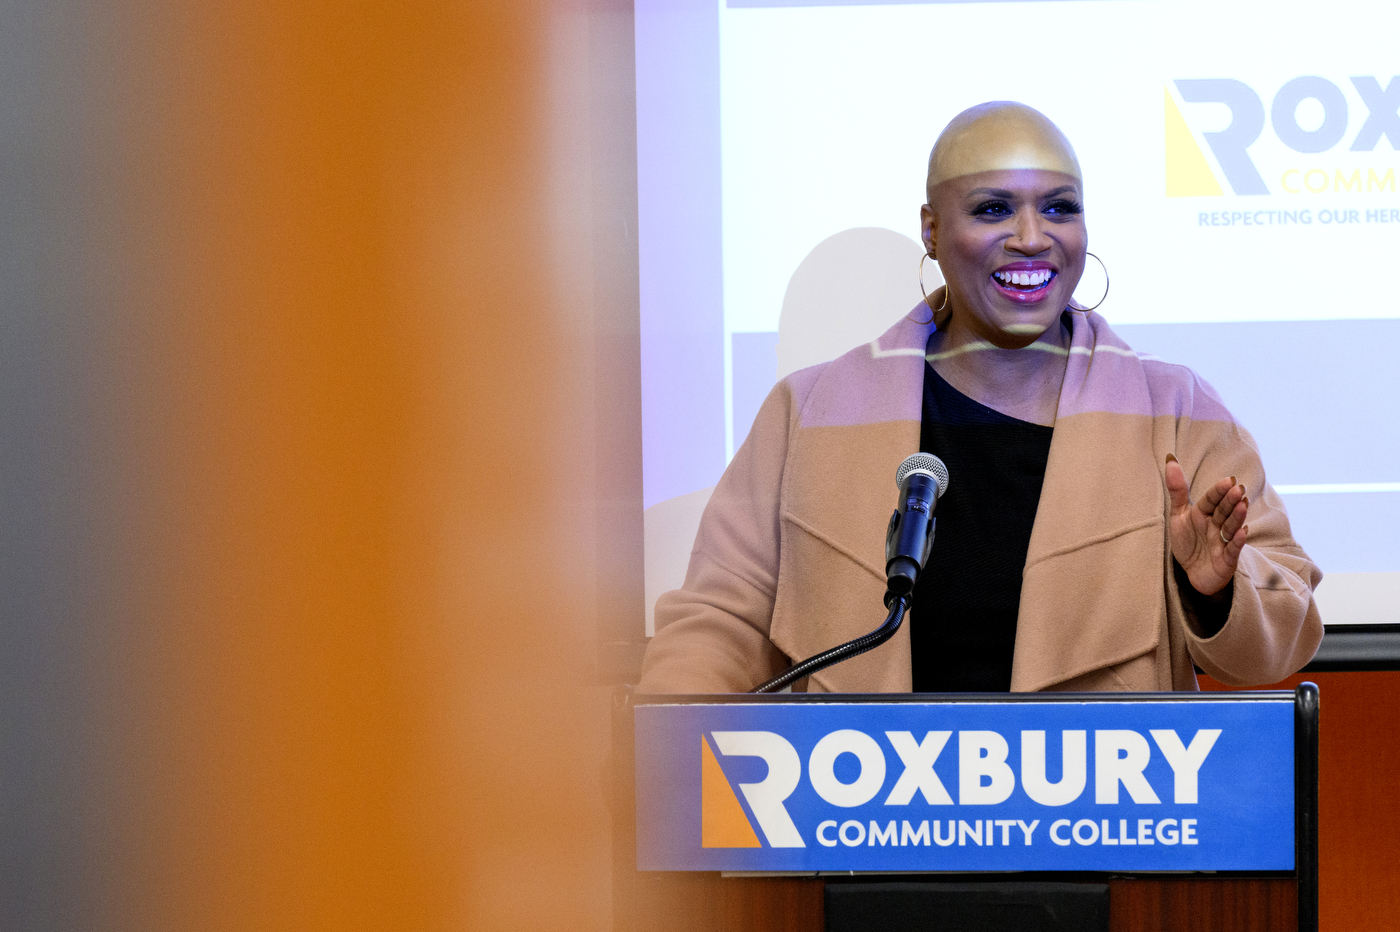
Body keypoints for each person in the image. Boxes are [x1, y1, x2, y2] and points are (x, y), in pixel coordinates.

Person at [637, 102, 1322, 694]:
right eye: (994, 209)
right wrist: (660, 753)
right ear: (932, 229)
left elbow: (1284, 637)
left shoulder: (1175, 410)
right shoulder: (810, 410)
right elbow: (722, 621)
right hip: (861, 831)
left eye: (1059, 208)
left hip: (1100, 836)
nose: (1032, 237)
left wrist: (1216, 590)